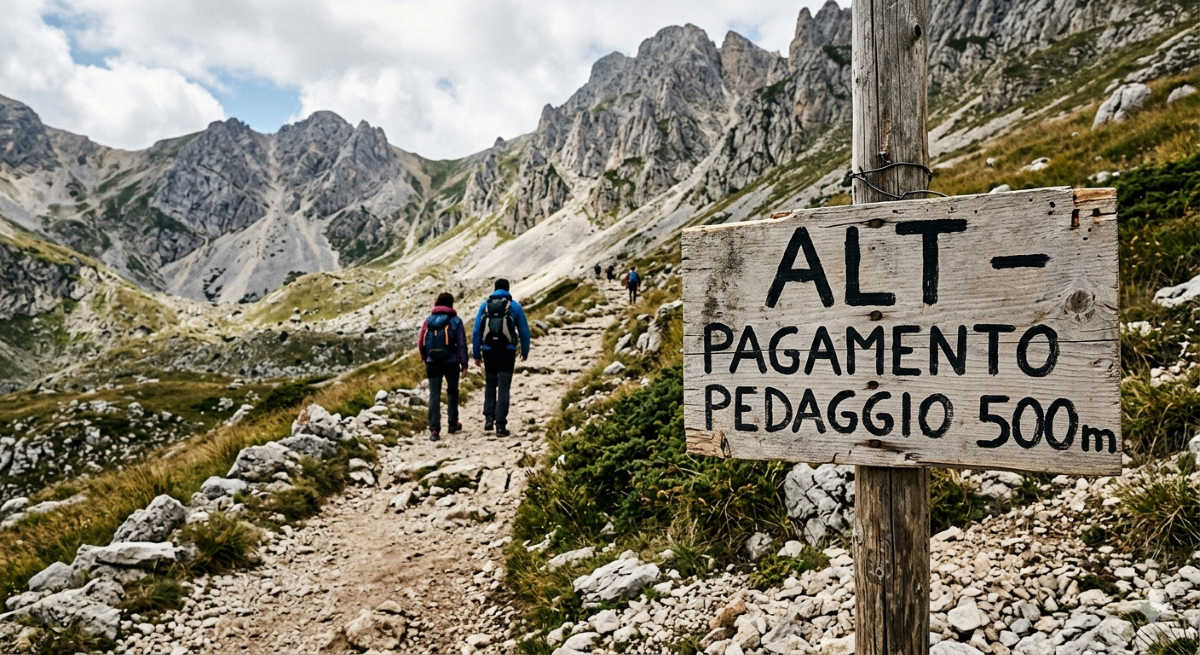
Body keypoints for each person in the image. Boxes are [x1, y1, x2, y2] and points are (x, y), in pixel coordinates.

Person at [472, 279, 531, 436]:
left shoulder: (484, 306)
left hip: (489, 350)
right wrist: (525, 351)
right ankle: (501, 425)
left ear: (495, 289)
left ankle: (489, 418)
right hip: (507, 351)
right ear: (508, 289)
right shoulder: (515, 306)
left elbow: (477, 331)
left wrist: (476, 354)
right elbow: (524, 330)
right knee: (504, 386)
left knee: (490, 383)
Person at [418, 292, 469, 441]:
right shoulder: (456, 321)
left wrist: (424, 357)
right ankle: (453, 423)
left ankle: (434, 430)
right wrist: (464, 364)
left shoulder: (428, 320)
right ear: (451, 304)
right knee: (452, 391)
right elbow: (461, 343)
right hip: (451, 362)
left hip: (432, 362)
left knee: (434, 395)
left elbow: (421, 340)